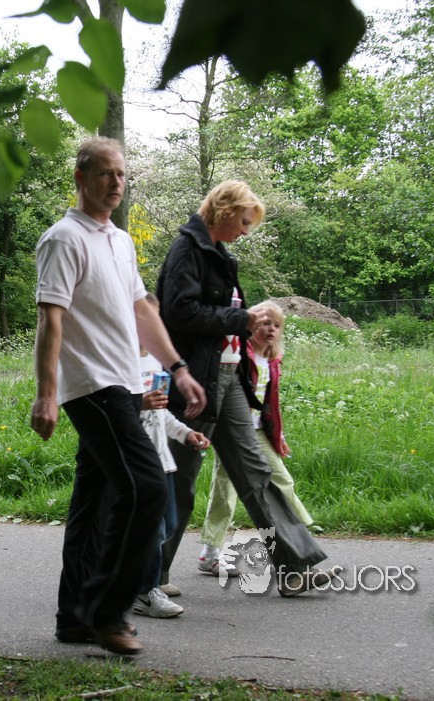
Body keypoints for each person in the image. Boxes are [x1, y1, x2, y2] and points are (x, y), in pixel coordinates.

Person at [30, 136, 206, 655]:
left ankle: (73, 618)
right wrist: (46, 394)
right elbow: (50, 320)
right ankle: (109, 612)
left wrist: (177, 369)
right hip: (92, 386)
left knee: (94, 504)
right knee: (146, 487)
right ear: (81, 178)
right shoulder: (63, 239)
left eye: (122, 174)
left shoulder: (120, 241)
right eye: (106, 173)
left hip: (127, 385)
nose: (116, 183)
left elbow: (142, 310)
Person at [155, 180, 335, 597]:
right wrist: (240, 320)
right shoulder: (187, 249)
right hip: (195, 380)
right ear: (224, 211)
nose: (245, 230)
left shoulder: (221, 255)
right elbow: (178, 312)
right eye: (244, 221)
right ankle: (149, 576)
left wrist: (240, 322)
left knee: (256, 472)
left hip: (229, 377)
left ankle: (294, 568)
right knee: (178, 480)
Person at [198, 300, 317, 572]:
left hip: (258, 432)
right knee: (225, 490)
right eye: (265, 323)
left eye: (276, 325)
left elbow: (270, 403)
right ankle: (210, 553)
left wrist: (278, 434)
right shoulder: (241, 354)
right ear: (251, 325)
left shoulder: (273, 360)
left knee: (282, 481)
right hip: (232, 432)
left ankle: (294, 543)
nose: (271, 329)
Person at [133, 293, 211, 618]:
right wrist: (138, 402)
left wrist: (185, 433)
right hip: (134, 460)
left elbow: (161, 413)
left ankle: (134, 583)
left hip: (162, 460)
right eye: (143, 319)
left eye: (156, 320)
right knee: (150, 528)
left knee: (168, 523)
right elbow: (107, 407)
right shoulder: (120, 363)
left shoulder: (155, 362)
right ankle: (144, 591)